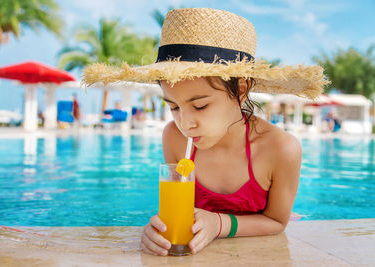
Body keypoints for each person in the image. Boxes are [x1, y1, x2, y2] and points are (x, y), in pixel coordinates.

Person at [83, 8, 329, 256]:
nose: (185, 123)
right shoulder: (175, 137)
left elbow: (276, 222)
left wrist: (219, 224)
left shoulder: (280, 149)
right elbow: (179, 215)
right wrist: (157, 232)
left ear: (240, 90)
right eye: (174, 107)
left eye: (200, 106)